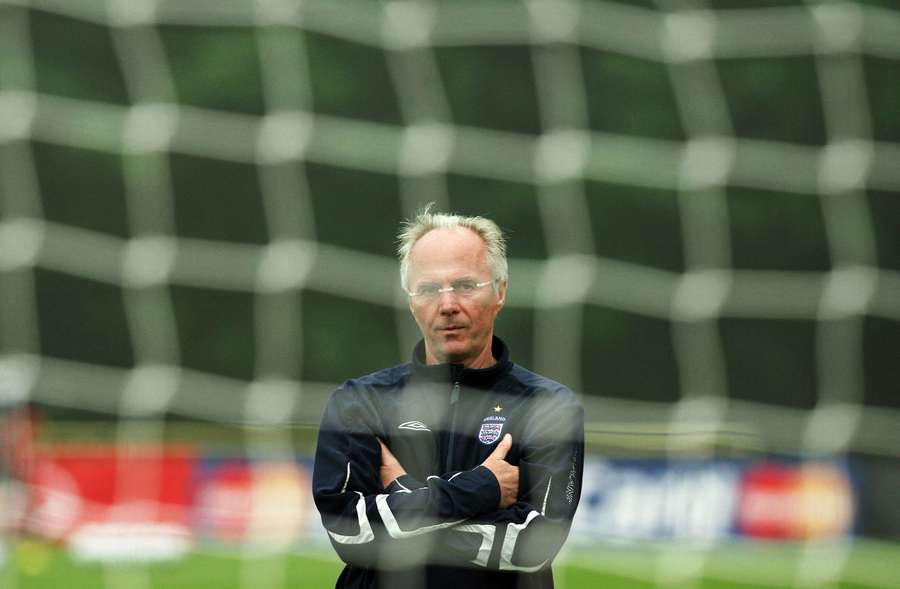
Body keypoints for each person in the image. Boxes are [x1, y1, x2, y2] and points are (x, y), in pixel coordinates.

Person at [312, 206, 584, 589]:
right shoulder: (360, 402)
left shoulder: (549, 407)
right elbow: (350, 536)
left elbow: (533, 546)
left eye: (466, 285)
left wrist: (404, 497)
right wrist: (482, 487)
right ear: (410, 300)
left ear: (500, 291)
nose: (447, 304)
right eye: (428, 289)